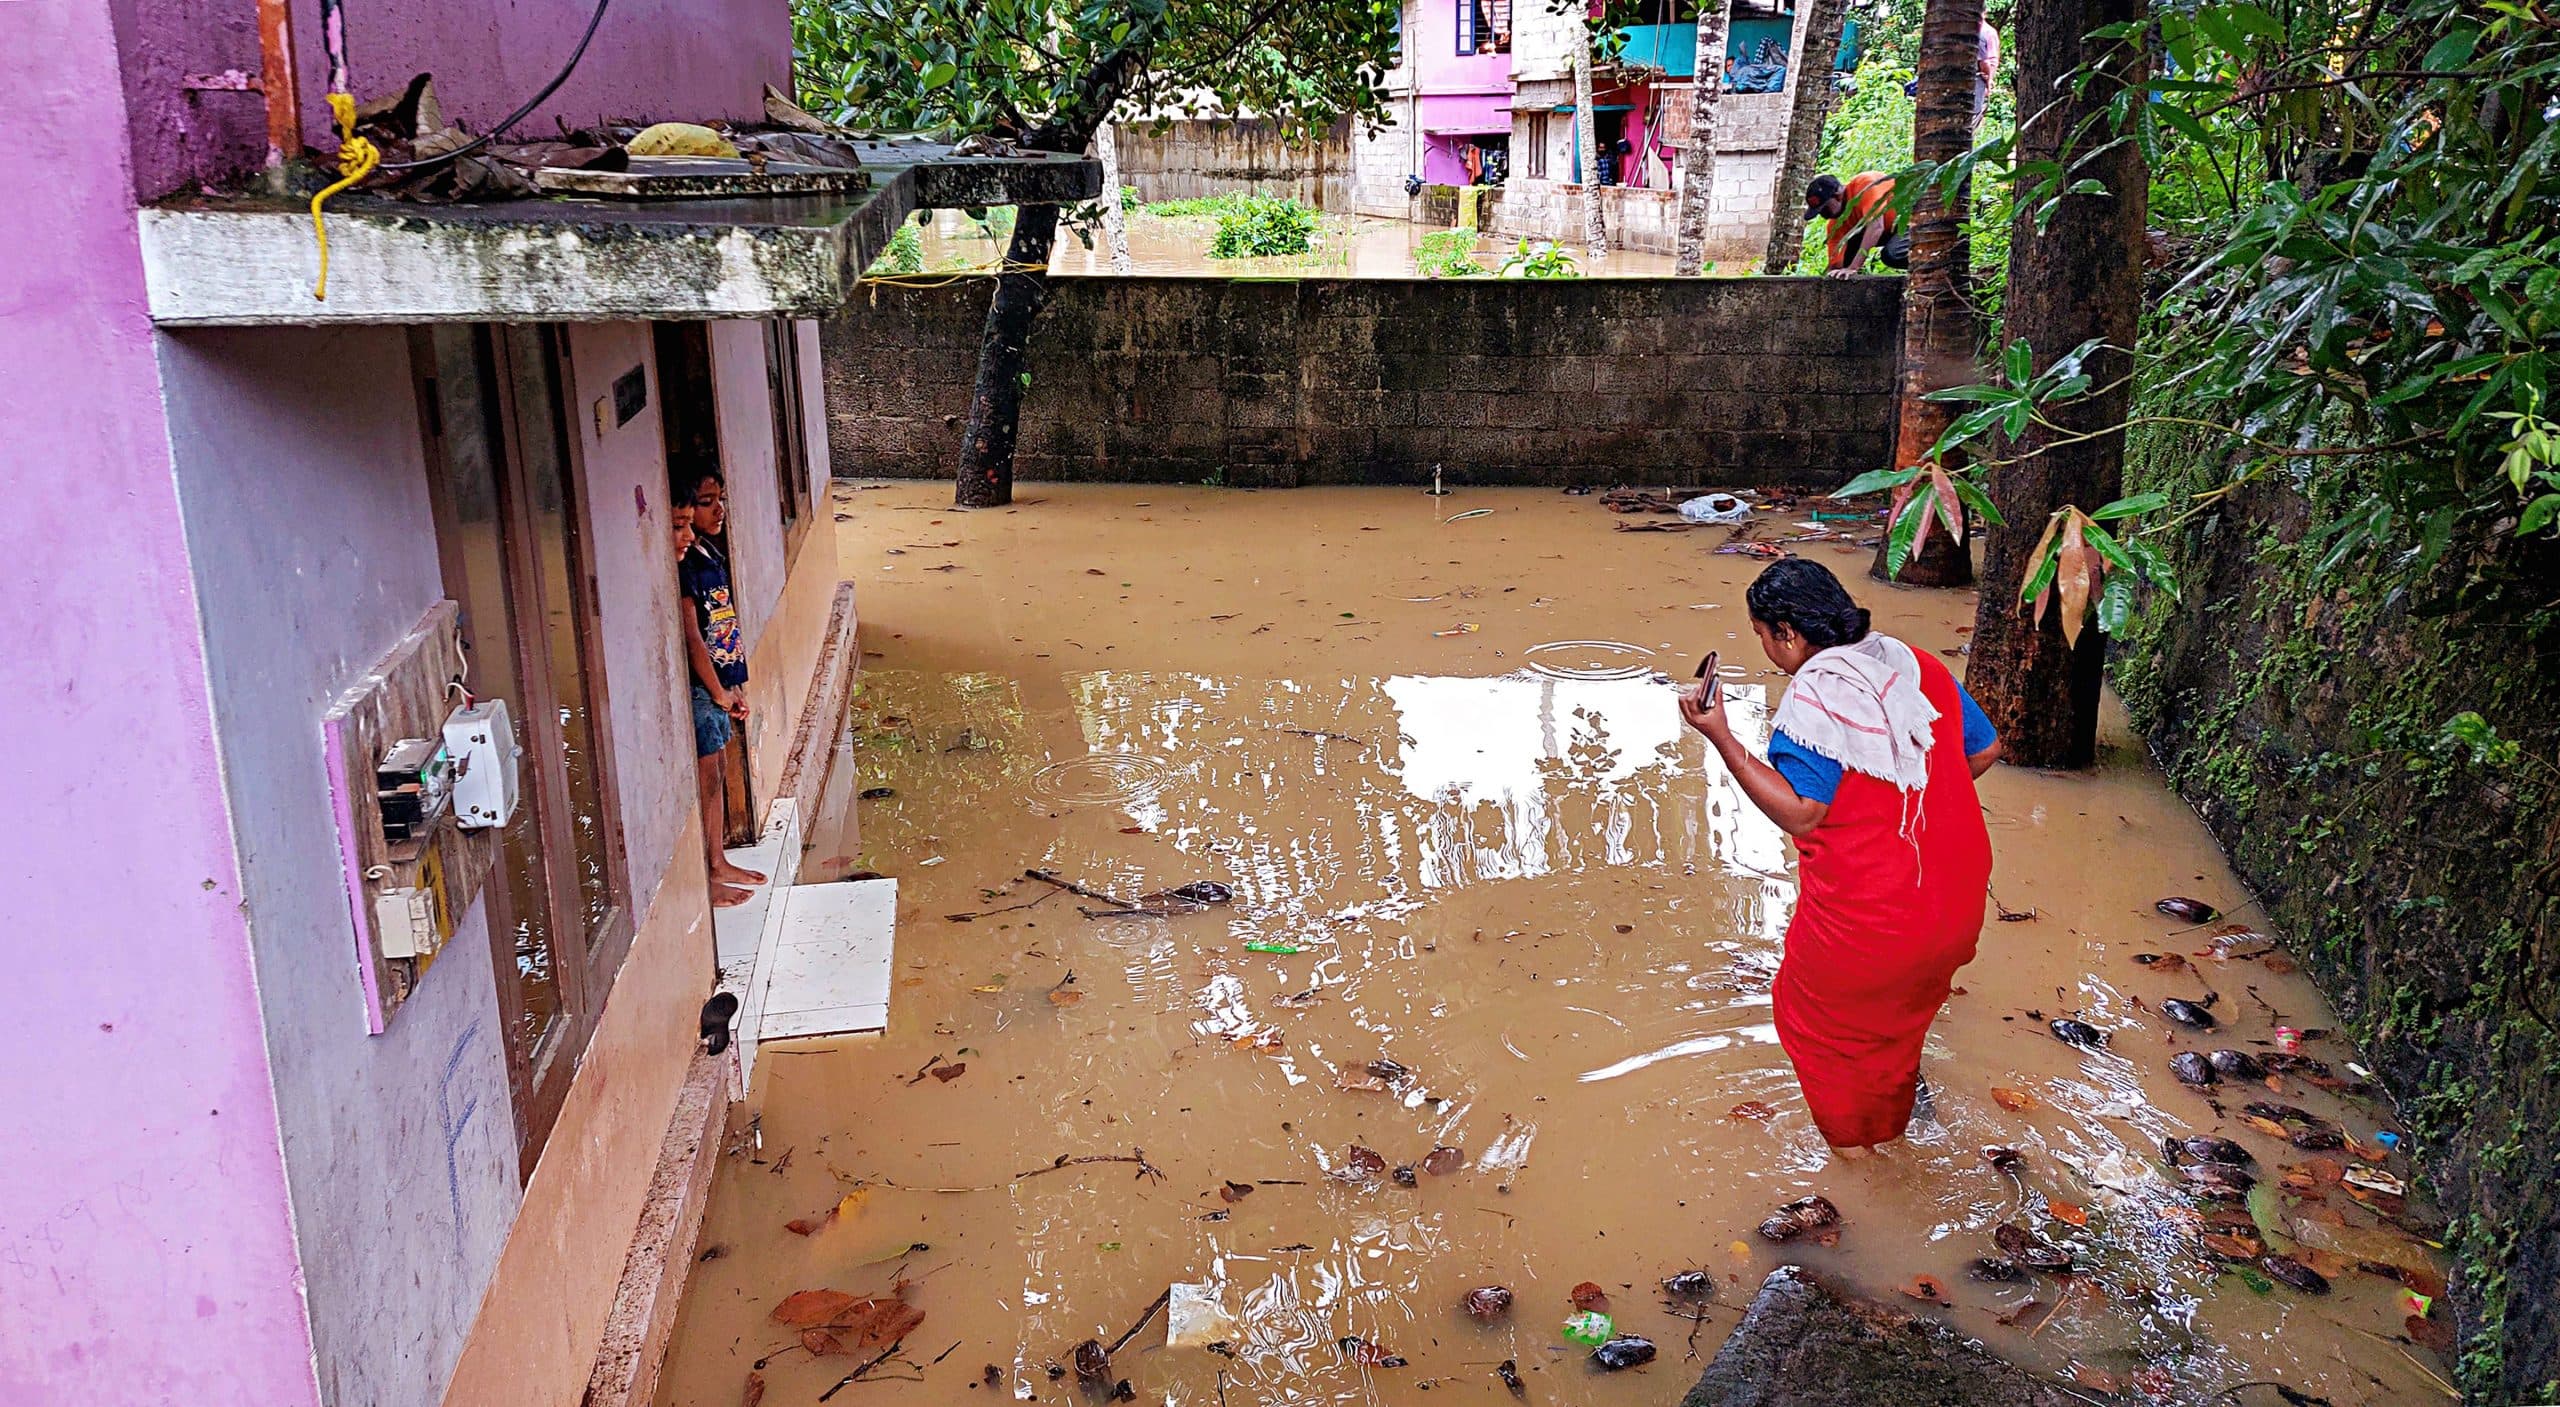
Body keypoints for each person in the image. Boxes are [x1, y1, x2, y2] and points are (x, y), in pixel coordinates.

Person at [1678, 560, 2001, 1157]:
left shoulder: (1816, 700)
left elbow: (1803, 812)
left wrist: (1721, 736)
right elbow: (1981, 752)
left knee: (1812, 1020)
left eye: (1763, 636)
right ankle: (1906, 1102)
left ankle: (1869, 1171)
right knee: (1897, 1015)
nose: (1769, 650)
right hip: (1954, 903)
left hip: (1876, 920)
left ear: (1788, 633)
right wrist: (1903, 802)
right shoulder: (1912, 664)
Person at [677, 471, 767, 908]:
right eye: (707, 501)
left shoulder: (707, 549)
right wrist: (717, 691)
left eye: (721, 499)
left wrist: (734, 685)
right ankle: (711, 866)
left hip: (720, 685)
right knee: (707, 775)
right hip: (703, 688)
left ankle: (718, 858)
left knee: (715, 772)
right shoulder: (684, 564)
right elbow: (693, 637)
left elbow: (722, 624)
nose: (719, 509)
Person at [1806, 171, 1907, 275]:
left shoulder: (1865, 185)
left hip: (1911, 222)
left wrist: (1853, 268)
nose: (1824, 215)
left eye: (1825, 210)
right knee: (1844, 261)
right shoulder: (1835, 225)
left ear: (1838, 196)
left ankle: (1922, 269)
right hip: (1889, 229)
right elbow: (1834, 265)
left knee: (1893, 254)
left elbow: (1876, 227)